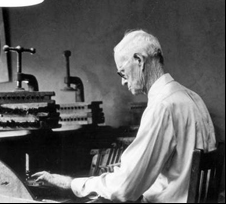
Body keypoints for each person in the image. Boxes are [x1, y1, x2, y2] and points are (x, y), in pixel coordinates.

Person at [32, 29, 216, 203]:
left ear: (139, 60)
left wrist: (72, 183)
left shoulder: (162, 106)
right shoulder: (192, 97)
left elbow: (125, 187)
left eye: (122, 72)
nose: (122, 81)